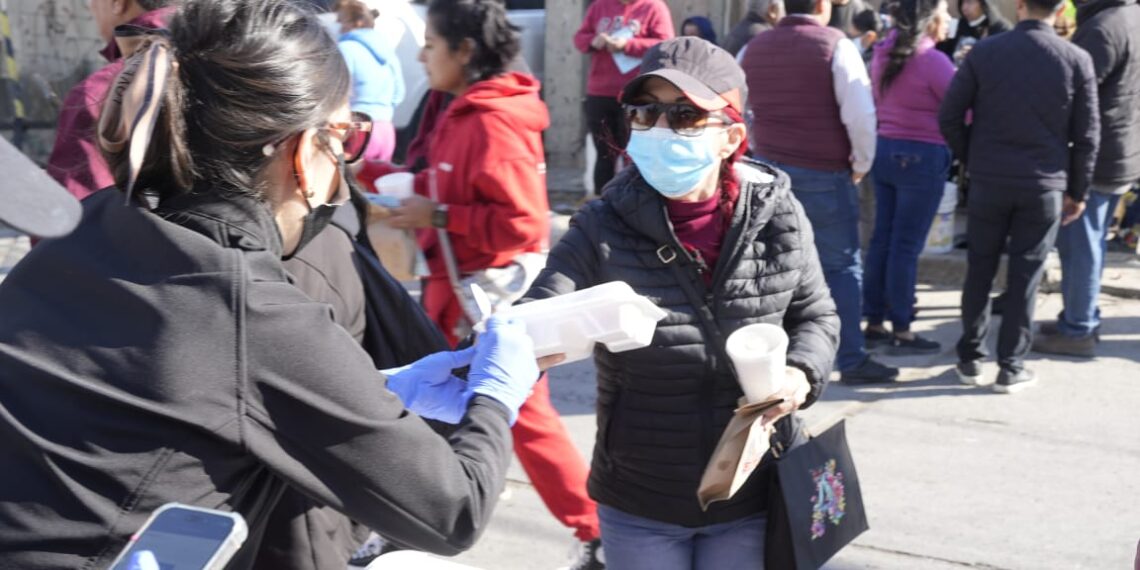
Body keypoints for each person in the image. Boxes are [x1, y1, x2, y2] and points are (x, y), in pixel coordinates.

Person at [0, 1, 547, 567]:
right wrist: (494, 397)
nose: (343, 164)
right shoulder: (251, 304)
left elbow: (171, 392)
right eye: (341, 141)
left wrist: (376, 388)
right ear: (303, 152)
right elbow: (452, 511)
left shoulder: (94, 221)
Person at [522, 37, 840, 569]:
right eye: (645, 113)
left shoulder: (778, 214)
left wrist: (801, 375)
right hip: (642, 495)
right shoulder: (602, 224)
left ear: (731, 137)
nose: (661, 130)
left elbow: (817, 314)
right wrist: (493, 347)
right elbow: (542, 307)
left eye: (687, 116)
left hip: (752, 493)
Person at [382, 2, 604, 568]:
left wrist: (437, 216)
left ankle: (599, 531)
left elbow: (522, 224)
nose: (420, 54)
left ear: (466, 51)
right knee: (436, 408)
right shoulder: (464, 107)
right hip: (456, 296)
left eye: (431, 44)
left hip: (484, 305)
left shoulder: (490, 116)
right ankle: (405, 522)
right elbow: (451, 182)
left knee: (524, 419)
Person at [939, 0, 1099, 393]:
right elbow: (1088, 136)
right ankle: (1010, 365)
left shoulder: (986, 51)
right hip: (1044, 184)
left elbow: (949, 116)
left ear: (1019, 6)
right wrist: (1078, 191)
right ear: (1061, 10)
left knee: (979, 269)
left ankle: (970, 358)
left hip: (990, 179)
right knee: (1026, 275)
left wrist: (972, 157)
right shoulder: (1076, 58)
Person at [742, 0, 898, 384]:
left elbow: (739, 109)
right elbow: (860, 115)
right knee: (841, 266)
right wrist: (861, 163)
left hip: (768, 172)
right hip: (823, 173)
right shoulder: (835, 45)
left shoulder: (753, 47)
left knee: (771, 267)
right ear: (821, 5)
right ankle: (850, 357)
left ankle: (769, 356)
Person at [1032, 0, 1140, 357]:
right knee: (1088, 245)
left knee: (1081, 247)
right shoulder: (1128, 15)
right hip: (1119, 150)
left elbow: (1075, 94)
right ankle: (1079, 319)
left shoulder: (1103, 27)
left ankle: (1077, 328)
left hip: (1098, 155)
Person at [862, 0, 955, 354]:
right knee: (905, 246)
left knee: (882, 240)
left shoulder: (883, 54)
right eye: (945, 14)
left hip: (884, 149)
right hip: (922, 155)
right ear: (930, 20)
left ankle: (873, 321)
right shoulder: (934, 61)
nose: (949, 20)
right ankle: (902, 328)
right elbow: (963, 108)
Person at [45, 0, 174, 201]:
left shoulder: (100, 93)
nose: (91, 7)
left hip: (143, 230)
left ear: (118, 3)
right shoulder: (230, 62)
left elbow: (72, 216)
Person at [574, 0, 674, 196]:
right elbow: (580, 38)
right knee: (603, 155)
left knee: (637, 155)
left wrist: (628, 45)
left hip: (637, 94)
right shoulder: (599, 6)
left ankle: (637, 205)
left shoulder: (653, 7)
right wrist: (593, 41)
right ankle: (600, 205)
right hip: (600, 93)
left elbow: (665, 45)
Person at [334, 0, 405, 162]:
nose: (339, 28)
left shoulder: (347, 48)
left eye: (342, 22)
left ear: (357, 22)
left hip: (359, 130)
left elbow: (338, 92)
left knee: (350, 185)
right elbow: (399, 94)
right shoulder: (388, 51)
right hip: (387, 130)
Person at [935, 0, 1011, 63]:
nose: (964, 8)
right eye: (962, 2)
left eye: (969, 2)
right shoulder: (954, 25)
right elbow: (940, 56)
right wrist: (955, 56)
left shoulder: (1002, 30)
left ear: (984, 4)